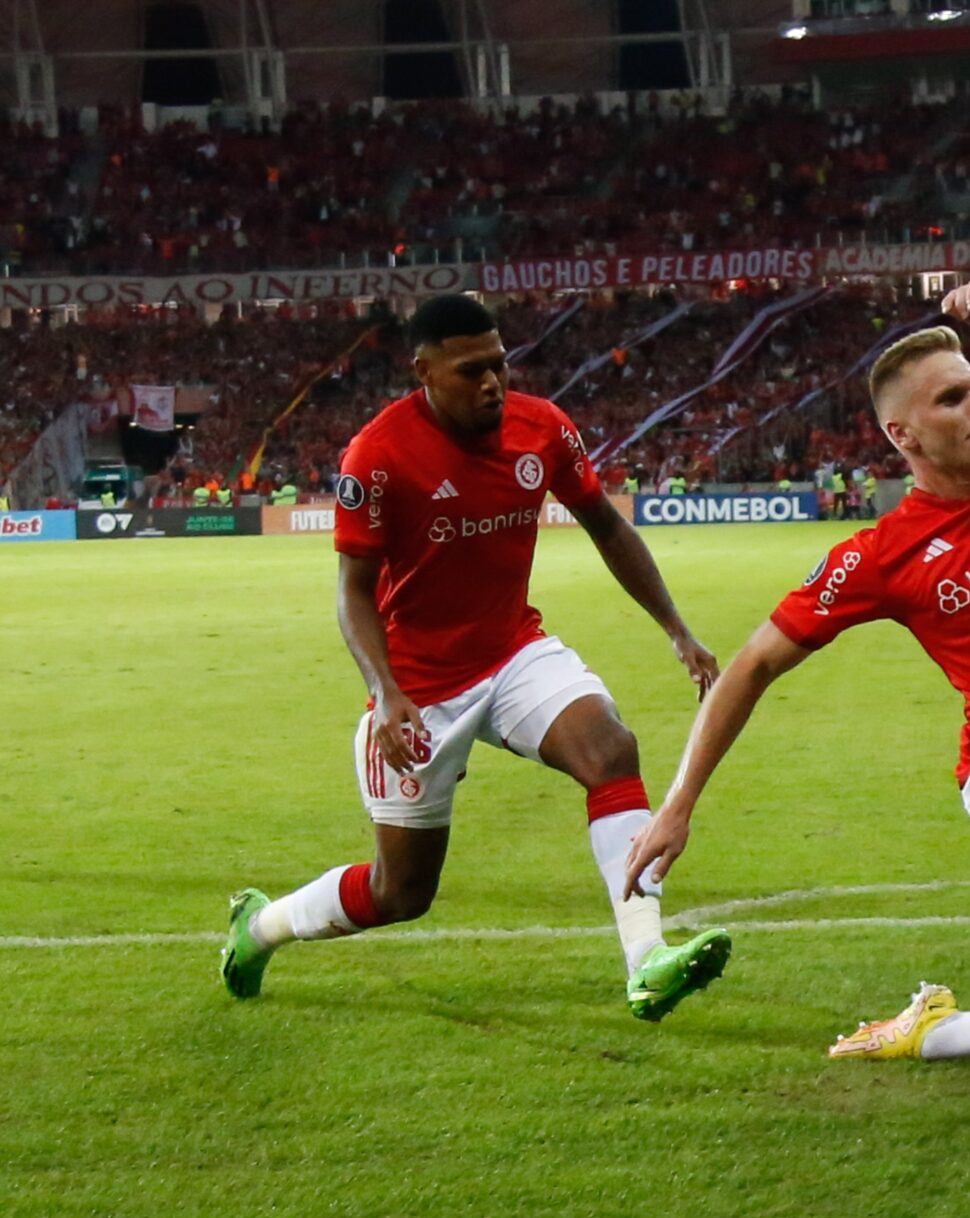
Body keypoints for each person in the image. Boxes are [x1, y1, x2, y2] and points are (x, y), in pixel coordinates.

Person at [623, 269, 970, 1139]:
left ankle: (937, 1030)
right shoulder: (880, 554)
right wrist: (678, 804)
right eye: (951, 400)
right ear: (902, 434)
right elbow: (753, 664)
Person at [218, 294, 731, 1023]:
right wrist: (385, 691)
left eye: (499, 364)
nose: (492, 383)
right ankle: (261, 926)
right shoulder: (379, 454)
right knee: (402, 893)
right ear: (423, 371)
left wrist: (676, 628)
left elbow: (607, 528)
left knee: (610, 749)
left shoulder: (542, 427)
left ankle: (647, 960)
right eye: (471, 371)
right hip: (420, 688)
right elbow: (353, 592)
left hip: (513, 650)